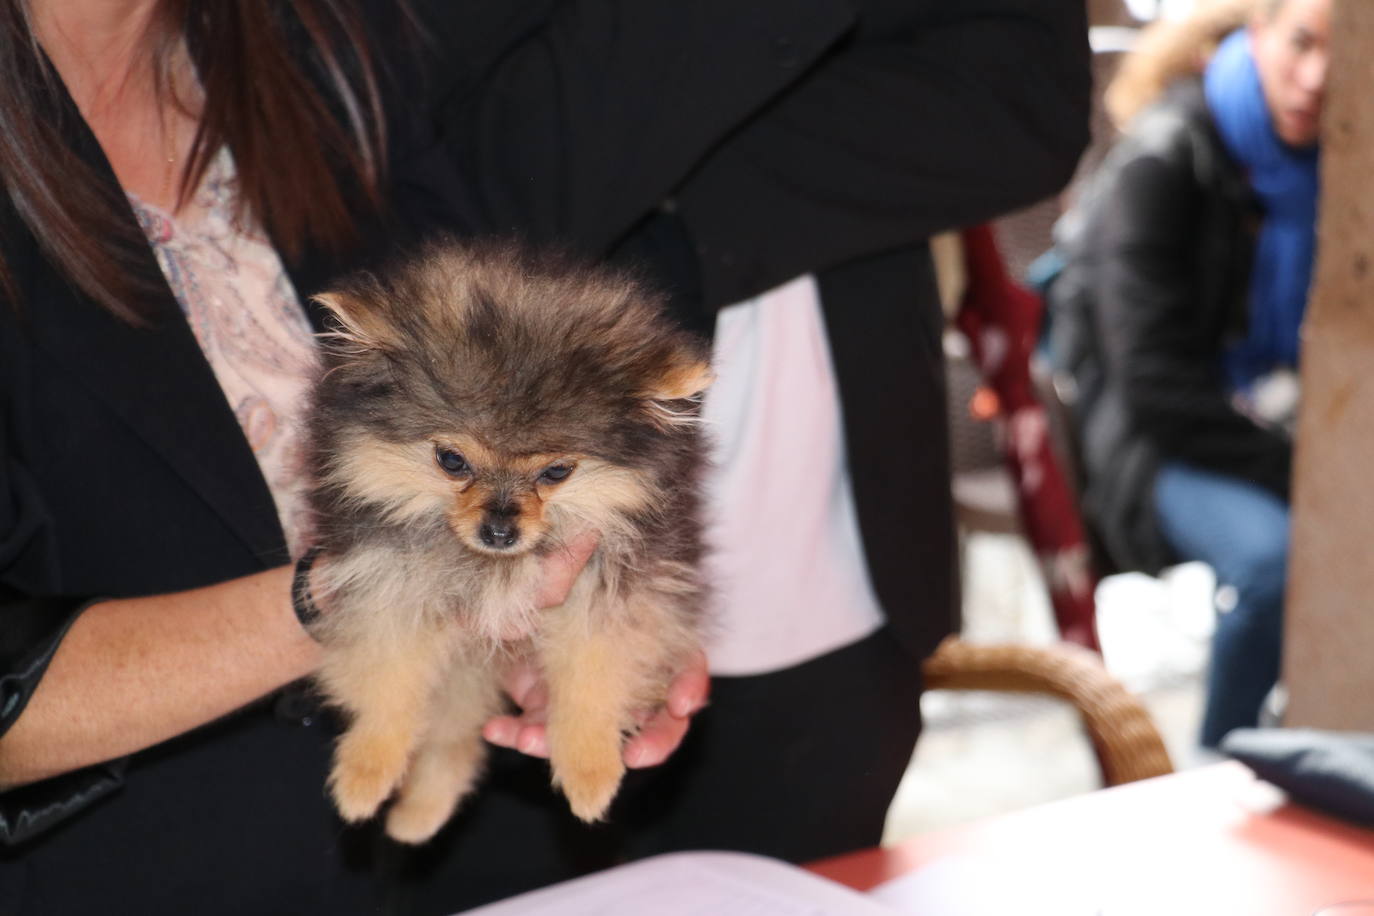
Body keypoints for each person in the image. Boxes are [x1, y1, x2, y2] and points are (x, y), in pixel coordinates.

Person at [0, 2, 1090, 914]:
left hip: (440, 809)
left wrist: (526, 616)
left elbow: (1019, 104)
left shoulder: (305, 60)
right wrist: (375, 593)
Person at [1049, 0, 1329, 749]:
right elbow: (1153, 383)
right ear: (1257, 33)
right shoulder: (1164, 160)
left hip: (1270, 421)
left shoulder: (1332, 163)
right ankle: (1228, 759)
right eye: (1302, 42)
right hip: (1151, 442)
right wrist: (1298, 470)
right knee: (1279, 562)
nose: (1317, 77)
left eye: (1343, 53)